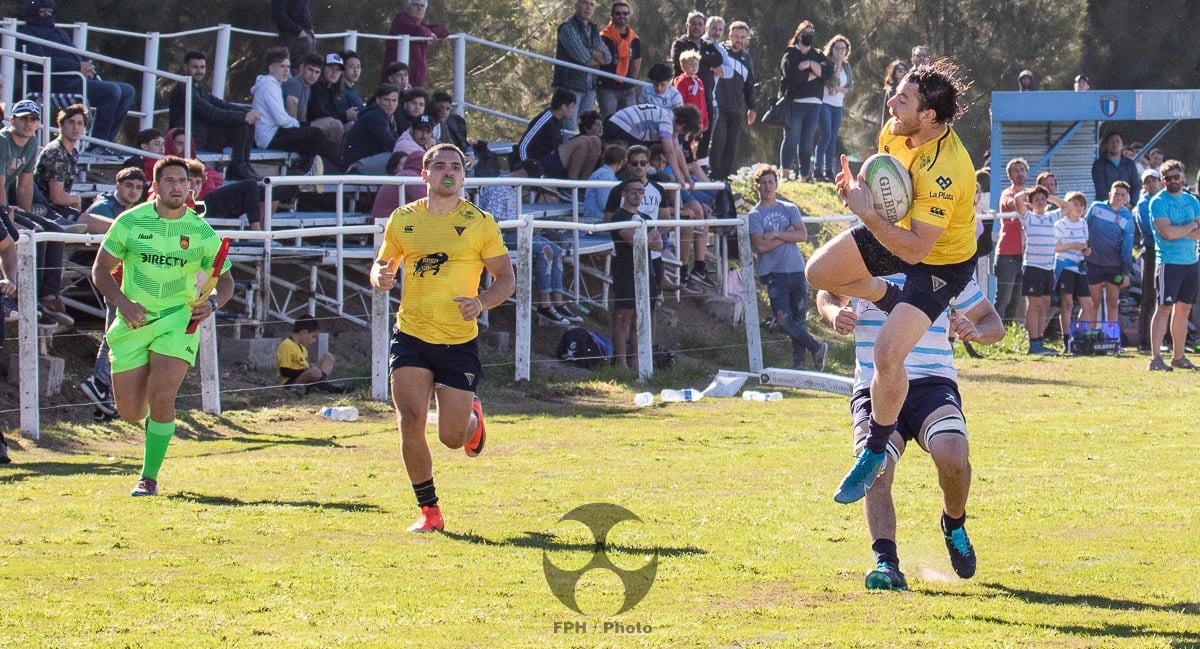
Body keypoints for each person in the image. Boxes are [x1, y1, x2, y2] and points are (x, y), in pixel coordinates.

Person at [805, 60, 977, 505]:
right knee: (818, 272)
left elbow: (918, 250)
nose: (891, 103)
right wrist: (855, 190)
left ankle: (875, 450)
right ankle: (887, 294)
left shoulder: (949, 170)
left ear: (930, 118)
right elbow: (883, 184)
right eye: (895, 94)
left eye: (903, 100)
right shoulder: (894, 130)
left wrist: (866, 213)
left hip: (939, 263)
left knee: (886, 351)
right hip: (897, 233)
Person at [815, 274, 1003, 591]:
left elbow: (992, 322)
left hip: (931, 382)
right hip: (875, 386)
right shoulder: (862, 257)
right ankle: (887, 564)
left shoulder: (945, 263)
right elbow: (827, 292)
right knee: (874, 465)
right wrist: (836, 314)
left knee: (953, 454)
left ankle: (953, 523)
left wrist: (977, 331)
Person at [369, 143, 514, 533]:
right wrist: (380, 276)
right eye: (439, 166)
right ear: (424, 175)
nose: (447, 172)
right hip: (411, 334)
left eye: (455, 167)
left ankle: (472, 419)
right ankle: (429, 511)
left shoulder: (480, 222)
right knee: (410, 420)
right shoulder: (403, 219)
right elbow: (384, 263)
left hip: (457, 341)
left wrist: (481, 303)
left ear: (463, 176)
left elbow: (506, 279)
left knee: (451, 438)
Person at [90, 155, 233, 497]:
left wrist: (212, 304)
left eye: (182, 181)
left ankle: (148, 478)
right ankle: (146, 428)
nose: (176, 187)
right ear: (154, 187)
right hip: (133, 323)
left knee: (163, 395)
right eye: (168, 181)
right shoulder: (130, 222)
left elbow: (226, 282)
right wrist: (124, 304)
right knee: (130, 411)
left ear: (189, 187)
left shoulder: (200, 231)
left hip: (177, 321)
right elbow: (99, 271)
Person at [478, 159, 582, 326]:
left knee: (555, 249)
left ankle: (558, 301)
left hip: (514, 232)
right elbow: (494, 223)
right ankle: (545, 303)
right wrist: (524, 229)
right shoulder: (499, 187)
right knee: (544, 249)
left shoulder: (512, 187)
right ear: (522, 174)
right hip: (498, 237)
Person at [18, 0, 136, 148]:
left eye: (49, 12)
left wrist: (89, 66)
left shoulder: (59, 32)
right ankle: (97, 145)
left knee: (128, 91)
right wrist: (77, 66)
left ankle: (107, 143)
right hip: (54, 82)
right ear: (33, 13)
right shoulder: (28, 34)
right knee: (112, 92)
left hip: (75, 79)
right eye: (42, 12)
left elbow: (75, 53)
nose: (46, 16)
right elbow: (39, 62)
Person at [79, 166, 145, 421]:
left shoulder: (136, 212)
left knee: (120, 338)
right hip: (111, 281)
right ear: (117, 185)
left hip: (130, 282)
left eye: (138, 187)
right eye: (129, 185)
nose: (133, 191)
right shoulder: (104, 205)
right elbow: (86, 220)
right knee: (116, 337)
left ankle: (103, 400)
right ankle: (99, 382)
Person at [748, 165, 827, 370]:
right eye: (763, 182)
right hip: (774, 274)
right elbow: (760, 246)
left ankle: (798, 366)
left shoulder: (789, 208)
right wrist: (786, 233)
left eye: (770, 182)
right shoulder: (755, 215)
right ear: (757, 186)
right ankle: (816, 347)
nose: (767, 186)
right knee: (783, 319)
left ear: (776, 184)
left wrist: (775, 234)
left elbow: (801, 235)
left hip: (796, 270)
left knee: (799, 319)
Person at [1, 100, 70, 328]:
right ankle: (20, 297)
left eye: (33, 119)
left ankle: (47, 297)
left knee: (53, 230)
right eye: (23, 119)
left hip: (8, 205)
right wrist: (7, 214)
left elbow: (25, 186)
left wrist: (25, 215)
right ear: (12, 120)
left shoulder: (31, 143)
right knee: (25, 235)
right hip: (0, 205)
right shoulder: (2, 141)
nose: (28, 124)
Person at [168, 51, 262, 182]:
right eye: (195, 67)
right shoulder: (182, 89)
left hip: (205, 137)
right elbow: (210, 112)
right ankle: (237, 167)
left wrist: (248, 112)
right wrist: (243, 117)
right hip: (192, 140)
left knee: (246, 121)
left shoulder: (199, 89)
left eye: (202, 67)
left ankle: (243, 164)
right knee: (241, 122)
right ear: (185, 67)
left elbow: (220, 104)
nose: (199, 71)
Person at [252, 47, 345, 169]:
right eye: (281, 66)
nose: (286, 71)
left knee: (312, 141)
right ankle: (342, 166)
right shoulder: (270, 87)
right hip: (269, 137)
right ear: (271, 68)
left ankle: (308, 174)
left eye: (288, 67)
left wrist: (302, 127)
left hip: (275, 133)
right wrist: (303, 126)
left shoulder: (275, 85)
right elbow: (282, 119)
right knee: (315, 133)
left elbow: (297, 116)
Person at [1146, 160, 1200, 371]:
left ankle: (1179, 356)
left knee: (1184, 309)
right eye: (1167, 178)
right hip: (1169, 262)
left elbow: (1197, 232)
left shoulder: (1192, 200)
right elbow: (1167, 233)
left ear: (1183, 177)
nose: (1172, 181)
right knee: (1164, 309)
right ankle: (1155, 357)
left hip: (1190, 261)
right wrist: (1192, 226)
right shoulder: (1158, 202)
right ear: (1162, 180)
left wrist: (1182, 230)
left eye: (1176, 177)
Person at [607, 177, 662, 370]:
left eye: (641, 191)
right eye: (633, 191)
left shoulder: (647, 218)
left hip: (647, 271)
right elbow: (633, 240)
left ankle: (638, 362)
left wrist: (644, 238)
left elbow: (658, 245)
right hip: (625, 270)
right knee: (623, 316)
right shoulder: (618, 217)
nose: (637, 195)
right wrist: (647, 238)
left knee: (641, 317)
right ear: (624, 194)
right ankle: (621, 363)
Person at [778, 21, 831, 182]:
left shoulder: (817, 54)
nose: (809, 35)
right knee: (791, 138)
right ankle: (785, 174)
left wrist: (809, 65)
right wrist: (816, 74)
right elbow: (792, 75)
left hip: (814, 104)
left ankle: (804, 176)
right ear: (799, 34)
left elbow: (828, 72)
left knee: (807, 141)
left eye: (811, 32)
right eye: (806, 32)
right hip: (795, 102)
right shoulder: (791, 53)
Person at [603, 104, 701, 190]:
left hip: (620, 124)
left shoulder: (671, 118)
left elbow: (677, 151)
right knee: (637, 160)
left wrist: (687, 177)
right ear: (683, 124)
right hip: (622, 126)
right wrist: (679, 177)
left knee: (639, 160)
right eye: (683, 131)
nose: (681, 134)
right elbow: (669, 151)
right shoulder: (667, 121)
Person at [1012, 185, 1061, 354]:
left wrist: (1049, 196)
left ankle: (1040, 340)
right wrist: (1028, 191)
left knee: (1045, 305)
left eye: (1042, 199)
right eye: (1036, 199)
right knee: (1035, 305)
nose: (1040, 202)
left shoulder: (1051, 217)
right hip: (1033, 266)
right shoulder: (1029, 217)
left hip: (1048, 267)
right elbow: (1017, 200)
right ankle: (1033, 343)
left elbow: (1068, 207)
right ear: (1030, 203)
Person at [552, 0, 611, 133]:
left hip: (589, 86)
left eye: (592, 4)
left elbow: (607, 58)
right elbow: (582, 57)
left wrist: (590, 53)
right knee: (568, 128)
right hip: (569, 85)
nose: (588, 8)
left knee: (587, 127)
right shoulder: (567, 28)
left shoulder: (593, 30)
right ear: (576, 5)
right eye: (584, 3)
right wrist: (594, 54)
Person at [708, 20, 756, 182]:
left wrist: (752, 107)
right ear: (729, 36)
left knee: (732, 143)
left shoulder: (746, 59)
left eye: (742, 37)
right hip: (718, 104)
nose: (739, 40)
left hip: (736, 107)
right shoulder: (721, 51)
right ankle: (714, 173)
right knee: (718, 141)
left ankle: (724, 175)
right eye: (736, 36)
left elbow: (749, 85)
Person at [516, 89, 600, 180]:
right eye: (571, 107)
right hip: (539, 163)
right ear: (563, 107)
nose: (572, 111)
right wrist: (525, 167)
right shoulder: (546, 118)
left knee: (595, 141)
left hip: (553, 160)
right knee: (584, 140)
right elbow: (523, 145)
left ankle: (582, 186)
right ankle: (571, 184)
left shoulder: (559, 121)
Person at [1083, 181, 1134, 324]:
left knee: (1112, 303)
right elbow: (1084, 230)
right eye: (1116, 193)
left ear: (1126, 198)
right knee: (1094, 302)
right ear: (1109, 194)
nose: (1118, 197)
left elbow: (1127, 245)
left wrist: (1125, 272)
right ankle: (1090, 337)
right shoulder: (1095, 207)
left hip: (1114, 265)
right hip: (1093, 262)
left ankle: (1113, 338)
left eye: (1122, 195)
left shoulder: (1127, 217)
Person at [1054, 192, 1092, 348]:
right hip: (1065, 266)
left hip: (1079, 267)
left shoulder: (1083, 223)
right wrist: (1072, 246)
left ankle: (1079, 336)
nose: (1079, 208)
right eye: (1075, 204)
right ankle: (1066, 339)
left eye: (1081, 205)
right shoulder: (1060, 224)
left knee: (1088, 304)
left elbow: (1085, 244)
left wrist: (1086, 250)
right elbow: (1054, 247)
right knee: (1067, 303)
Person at [382, 0, 449, 89]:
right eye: (415, 5)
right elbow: (417, 31)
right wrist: (428, 33)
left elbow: (444, 30)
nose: (419, 9)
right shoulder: (401, 21)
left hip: (416, 85)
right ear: (408, 7)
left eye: (422, 6)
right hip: (395, 83)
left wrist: (430, 33)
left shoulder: (421, 25)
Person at [994, 157, 1029, 325]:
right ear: (1009, 175)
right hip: (1007, 252)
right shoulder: (1008, 193)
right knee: (1003, 297)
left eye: (1022, 170)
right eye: (1015, 170)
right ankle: (995, 331)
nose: (1019, 173)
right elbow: (1011, 203)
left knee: (1017, 298)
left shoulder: (1032, 194)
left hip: (1026, 254)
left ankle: (1009, 334)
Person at [815, 34, 852, 183]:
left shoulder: (847, 66)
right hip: (825, 103)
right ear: (832, 48)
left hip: (838, 105)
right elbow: (830, 85)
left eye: (843, 49)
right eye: (837, 48)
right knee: (826, 135)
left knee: (833, 138)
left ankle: (828, 169)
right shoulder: (827, 63)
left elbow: (849, 86)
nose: (840, 52)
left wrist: (839, 89)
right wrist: (837, 64)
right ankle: (818, 168)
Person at [596, 1, 641, 118]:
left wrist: (630, 81)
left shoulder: (634, 39)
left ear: (629, 16)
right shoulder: (603, 37)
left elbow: (636, 65)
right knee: (608, 120)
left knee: (630, 121)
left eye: (625, 13)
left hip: (628, 88)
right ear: (612, 16)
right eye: (618, 13)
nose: (622, 16)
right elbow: (597, 63)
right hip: (607, 88)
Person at [344, 84, 402, 175]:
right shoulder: (375, 117)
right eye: (386, 100)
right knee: (398, 157)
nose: (391, 104)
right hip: (357, 165)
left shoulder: (384, 117)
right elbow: (390, 144)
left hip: (369, 160)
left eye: (394, 100)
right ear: (378, 100)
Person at [1134, 168, 1162, 353]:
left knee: (1162, 297)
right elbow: (1153, 229)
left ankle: (1161, 337)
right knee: (1148, 297)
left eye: (1154, 180)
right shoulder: (1143, 205)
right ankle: (1144, 340)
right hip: (1151, 252)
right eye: (1147, 181)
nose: (1151, 184)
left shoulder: (1164, 200)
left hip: (1166, 250)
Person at [277, 318, 338, 392]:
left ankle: (319, 385)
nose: (314, 341)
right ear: (304, 333)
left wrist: (309, 367)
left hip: (304, 378)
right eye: (313, 337)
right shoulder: (286, 345)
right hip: (291, 383)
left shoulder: (302, 347)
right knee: (314, 371)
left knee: (328, 357)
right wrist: (305, 371)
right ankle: (332, 389)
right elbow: (284, 371)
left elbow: (301, 365)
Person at [306, 53, 349, 147]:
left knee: (352, 126)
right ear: (323, 69)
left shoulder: (331, 90)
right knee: (336, 125)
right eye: (331, 68)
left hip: (323, 129)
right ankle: (330, 159)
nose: (334, 72)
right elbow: (318, 113)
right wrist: (345, 116)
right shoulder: (316, 87)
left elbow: (334, 112)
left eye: (338, 70)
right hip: (310, 126)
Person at [1091, 131, 1139, 204]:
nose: (1115, 144)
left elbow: (1136, 186)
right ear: (1107, 145)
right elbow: (1100, 188)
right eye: (1112, 142)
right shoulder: (1099, 164)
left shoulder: (1130, 164)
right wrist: (1110, 205)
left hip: (1126, 206)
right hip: (1105, 206)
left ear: (1122, 145)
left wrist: (1132, 203)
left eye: (1118, 141)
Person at [271, 0, 315, 74]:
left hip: (306, 39)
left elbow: (302, 10)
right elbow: (277, 13)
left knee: (310, 71)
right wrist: (298, 31)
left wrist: (309, 28)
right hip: (293, 39)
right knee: (294, 74)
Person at [584, 143, 625, 222]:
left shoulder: (605, 174)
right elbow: (605, 203)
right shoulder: (605, 175)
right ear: (620, 161)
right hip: (597, 219)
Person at [673, 51, 709, 133]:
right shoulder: (681, 81)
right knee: (686, 143)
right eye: (690, 64)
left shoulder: (699, 82)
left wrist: (705, 119)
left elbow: (703, 101)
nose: (694, 67)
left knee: (696, 143)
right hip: (687, 120)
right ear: (682, 66)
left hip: (698, 120)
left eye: (696, 64)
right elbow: (679, 101)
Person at [282, 53, 322, 123]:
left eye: (317, 72)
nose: (313, 75)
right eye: (310, 70)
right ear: (302, 68)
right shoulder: (294, 83)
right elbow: (291, 118)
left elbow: (302, 118)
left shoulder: (308, 89)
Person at [336, 51, 366, 123]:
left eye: (358, 67)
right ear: (342, 69)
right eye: (351, 67)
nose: (356, 70)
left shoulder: (354, 91)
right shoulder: (340, 91)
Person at [881, 59, 908, 127]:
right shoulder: (891, 90)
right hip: (893, 122)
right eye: (900, 71)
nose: (903, 72)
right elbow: (888, 111)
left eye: (904, 70)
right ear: (894, 73)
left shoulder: (908, 88)